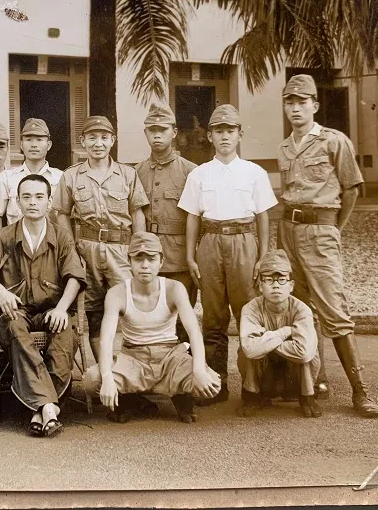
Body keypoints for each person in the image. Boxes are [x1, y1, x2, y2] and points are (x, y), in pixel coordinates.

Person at [276, 73, 378, 418]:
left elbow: (351, 188)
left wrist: (335, 227)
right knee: (302, 309)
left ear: (314, 106)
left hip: (320, 231)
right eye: (290, 102)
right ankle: (317, 379)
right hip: (288, 230)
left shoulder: (334, 142)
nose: (295, 108)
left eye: (302, 102)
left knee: (334, 311)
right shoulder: (285, 147)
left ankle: (360, 391)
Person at [0, 174, 86, 438]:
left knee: (65, 330)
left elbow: (75, 277)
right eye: (26, 197)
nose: (32, 202)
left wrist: (61, 309)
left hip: (51, 311)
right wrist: (0, 291)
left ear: (48, 202)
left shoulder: (61, 236)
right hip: (18, 312)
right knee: (13, 325)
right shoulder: (5, 235)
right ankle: (50, 407)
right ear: (17, 203)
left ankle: (41, 410)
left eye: (39, 197)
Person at [177, 104, 277, 404]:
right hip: (211, 242)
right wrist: (191, 256)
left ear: (239, 135)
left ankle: (253, 385)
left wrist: (262, 255)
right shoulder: (200, 174)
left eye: (230, 131)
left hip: (244, 242)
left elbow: (263, 216)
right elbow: (193, 217)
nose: (224, 137)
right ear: (209, 136)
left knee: (247, 312)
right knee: (213, 316)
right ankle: (217, 384)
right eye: (218, 131)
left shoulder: (254, 173)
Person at [82, 233, 220, 423]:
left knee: (212, 383)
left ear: (161, 261)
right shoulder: (117, 293)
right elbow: (106, 339)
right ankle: (132, 400)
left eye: (151, 258)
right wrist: (106, 378)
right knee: (92, 381)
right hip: (133, 359)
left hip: (169, 357)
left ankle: (180, 395)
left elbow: (194, 332)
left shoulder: (174, 288)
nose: (145, 265)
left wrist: (198, 370)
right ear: (129, 261)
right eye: (138, 258)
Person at [54, 115, 149, 360]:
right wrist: (71, 251)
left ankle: (130, 371)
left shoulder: (128, 174)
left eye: (104, 138)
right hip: (87, 250)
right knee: (93, 312)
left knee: (130, 305)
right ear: (83, 141)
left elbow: (137, 213)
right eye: (92, 138)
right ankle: (103, 370)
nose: (98, 143)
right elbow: (62, 215)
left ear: (112, 141)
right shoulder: (71, 176)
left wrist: (139, 251)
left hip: (122, 249)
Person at [134, 101, 197, 338]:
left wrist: (192, 256)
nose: (157, 135)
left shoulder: (190, 171)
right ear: (146, 133)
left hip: (179, 258)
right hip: (148, 257)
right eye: (152, 130)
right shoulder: (136, 172)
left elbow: (196, 218)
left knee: (182, 320)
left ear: (175, 132)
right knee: (149, 317)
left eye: (163, 129)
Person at [238, 249, 322, 418]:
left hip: (294, 375)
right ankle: (252, 397)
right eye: (269, 280)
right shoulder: (250, 309)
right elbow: (250, 349)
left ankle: (307, 397)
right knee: (245, 352)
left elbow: (304, 353)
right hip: (265, 375)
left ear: (291, 285)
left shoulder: (302, 310)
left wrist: (265, 339)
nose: (276, 285)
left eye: (282, 280)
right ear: (260, 286)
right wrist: (285, 332)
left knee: (311, 353)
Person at [0, 118, 64, 228]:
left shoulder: (60, 177)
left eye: (39, 140)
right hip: (15, 242)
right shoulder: (7, 178)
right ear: (21, 145)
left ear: (48, 145)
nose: (33, 145)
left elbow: (64, 216)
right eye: (28, 139)